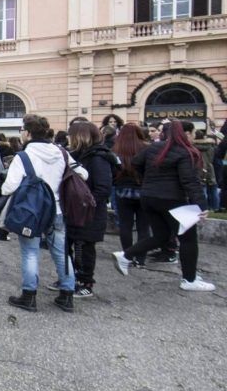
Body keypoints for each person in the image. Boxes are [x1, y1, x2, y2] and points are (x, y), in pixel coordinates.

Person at [113, 120, 214, 291]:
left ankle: (126, 255)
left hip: (149, 197)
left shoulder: (153, 148)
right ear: (186, 134)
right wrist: (201, 205)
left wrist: (148, 179)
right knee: (188, 239)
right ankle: (189, 280)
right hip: (173, 200)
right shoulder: (186, 152)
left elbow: (136, 162)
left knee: (161, 236)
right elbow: (190, 181)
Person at [4, 114, 87, 313]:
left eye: (22, 130)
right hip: (57, 210)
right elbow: (83, 174)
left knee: (30, 253)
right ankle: (67, 295)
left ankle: (29, 296)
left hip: (31, 212)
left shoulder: (23, 156)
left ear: (28, 132)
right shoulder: (61, 152)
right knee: (61, 252)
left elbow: (9, 187)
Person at [64, 121, 115, 299]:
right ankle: (68, 278)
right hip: (74, 209)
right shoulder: (77, 155)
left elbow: (103, 188)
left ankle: (85, 282)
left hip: (88, 212)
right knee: (66, 245)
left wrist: (86, 203)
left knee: (84, 248)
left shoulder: (98, 158)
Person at [112, 124, 149, 267]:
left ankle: (127, 255)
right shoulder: (146, 148)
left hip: (123, 190)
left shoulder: (116, 149)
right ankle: (141, 259)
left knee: (125, 225)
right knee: (143, 227)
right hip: (143, 190)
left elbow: (113, 171)